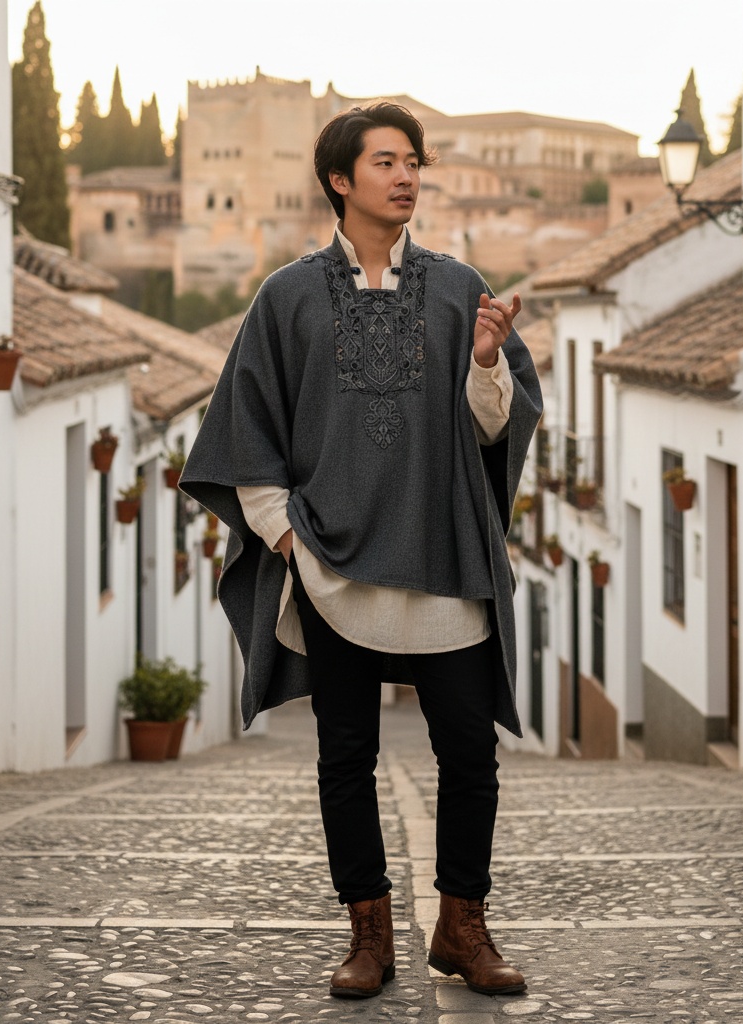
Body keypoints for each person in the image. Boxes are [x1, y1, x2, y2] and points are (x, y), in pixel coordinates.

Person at [181, 102, 542, 1000]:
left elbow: (493, 430)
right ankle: (368, 935)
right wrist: (283, 537)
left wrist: (489, 361)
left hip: (443, 556)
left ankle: (463, 927)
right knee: (345, 755)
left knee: (469, 753)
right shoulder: (288, 296)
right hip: (333, 568)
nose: (407, 175)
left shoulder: (462, 290)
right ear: (340, 180)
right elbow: (247, 425)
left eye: (414, 160)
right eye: (386, 161)